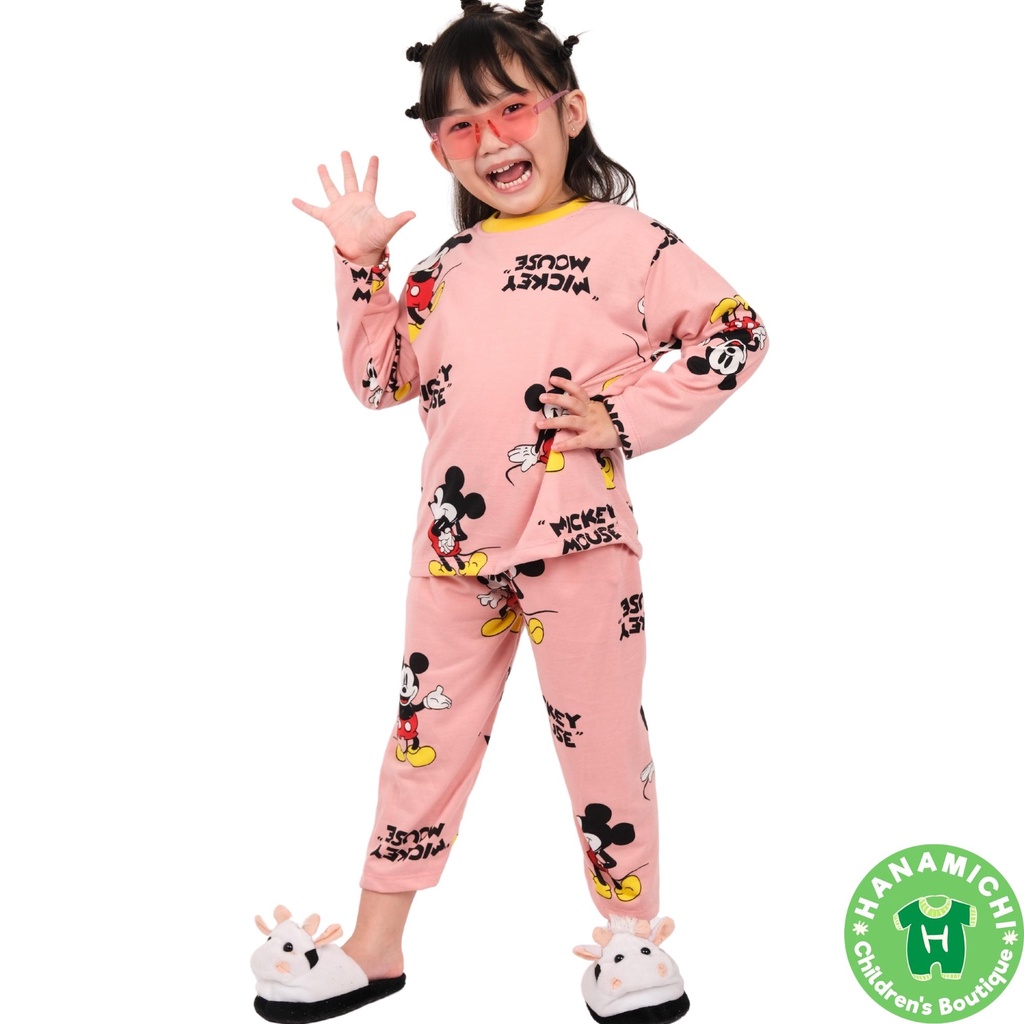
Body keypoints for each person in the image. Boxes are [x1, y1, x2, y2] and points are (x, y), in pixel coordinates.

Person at [284, 2, 767, 1021]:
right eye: (459, 123)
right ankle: (375, 948)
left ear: (568, 112)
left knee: (602, 743)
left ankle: (631, 942)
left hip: (578, 543)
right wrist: (361, 264)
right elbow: (377, 380)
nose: (490, 138)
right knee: (422, 742)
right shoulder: (443, 269)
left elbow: (736, 331)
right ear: (437, 147)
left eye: (511, 108)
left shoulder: (629, 243)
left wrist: (624, 418)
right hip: (452, 551)